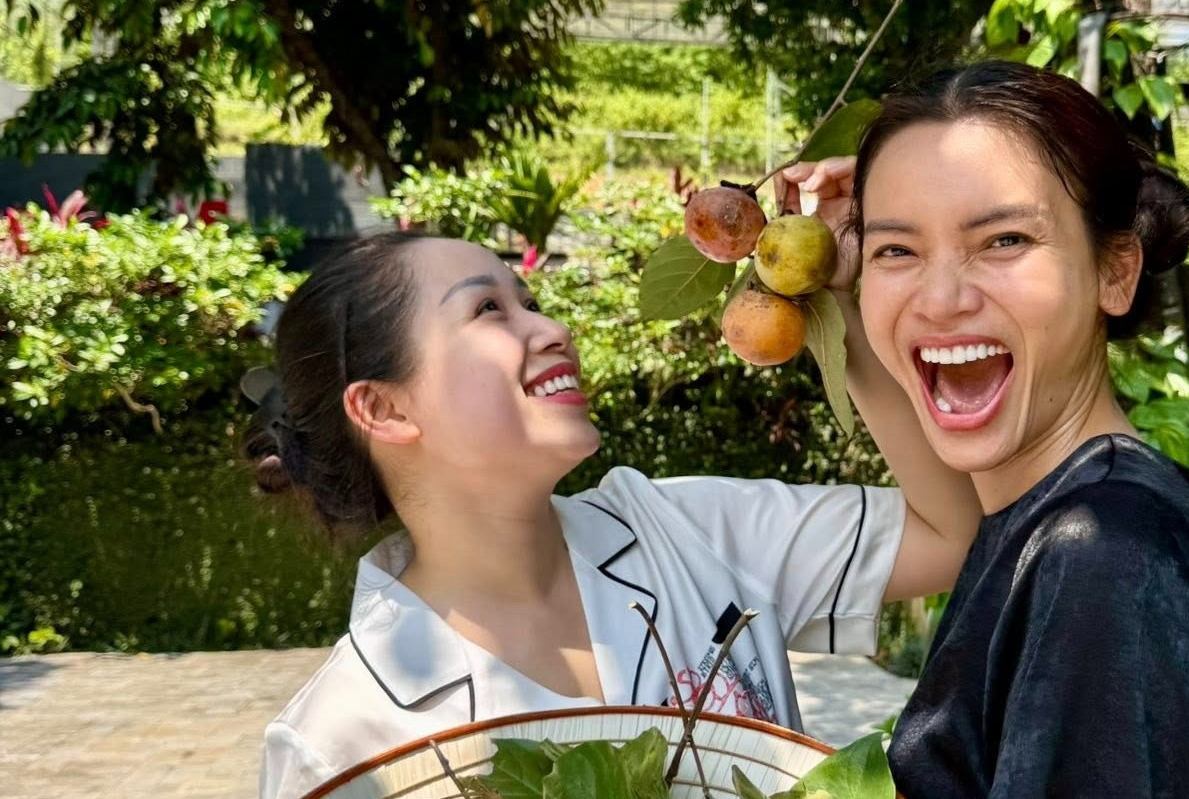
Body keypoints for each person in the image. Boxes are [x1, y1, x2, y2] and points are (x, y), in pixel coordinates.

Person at [248, 230, 982, 799]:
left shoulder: (689, 530)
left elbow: (954, 534)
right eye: (488, 310)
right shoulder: (345, 741)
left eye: (528, 302)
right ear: (384, 409)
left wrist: (837, 294)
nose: (551, 329)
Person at [783, 60, 1189, 798]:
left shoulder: (1102, 555)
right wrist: (837, 281)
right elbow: (951, 518)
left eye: (1003, 240)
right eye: (897, 250)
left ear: (1114, 272)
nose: (940, 300)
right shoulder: (1045, 517)